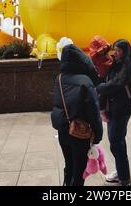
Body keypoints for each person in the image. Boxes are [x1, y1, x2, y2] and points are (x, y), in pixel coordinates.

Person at [51, 42, 103, 186]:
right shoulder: (85, 82)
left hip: (63, 131)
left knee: (69, 165)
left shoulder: (59, 78)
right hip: (79, 133)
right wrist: (98, 134)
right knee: (79, 171)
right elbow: (93, 111)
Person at [96, 39, 131, 186]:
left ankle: (125, 178)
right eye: (115, 50)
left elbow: (116, 84)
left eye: (119, 50)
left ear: (126, 51)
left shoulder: (128, 67)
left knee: (116, 141)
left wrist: (99, 87)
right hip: (113, 109)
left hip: (122, 109)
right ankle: (121, 172)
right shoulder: (116, 64)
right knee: (117, 140)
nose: (116, 53)